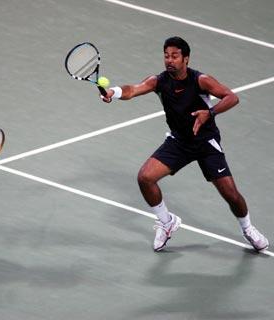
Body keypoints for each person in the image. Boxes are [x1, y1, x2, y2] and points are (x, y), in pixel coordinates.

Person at [102, 36, 269, 252]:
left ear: (186, 59)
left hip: (205, 142)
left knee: (231, 194)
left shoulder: (201, 80)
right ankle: (166, 222)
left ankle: (247, 228)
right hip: (179, 142)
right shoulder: (159, 81)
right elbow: (132, 90)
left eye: (174, 56)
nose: (169, 60)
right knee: (145, 177)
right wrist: (112, 93)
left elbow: (231, 97)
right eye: (166, 56)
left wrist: (209, 113)